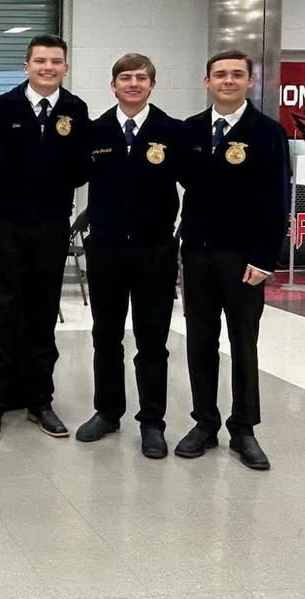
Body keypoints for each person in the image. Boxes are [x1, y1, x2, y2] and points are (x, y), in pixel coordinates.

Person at [175, 50, 290, 471]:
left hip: (245, 259)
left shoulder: (267, 133)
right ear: (206, 81)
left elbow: (278, 200)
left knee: (243, 342)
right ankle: (204, 422)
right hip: (199, 253)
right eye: (220, 74)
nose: (228, 80)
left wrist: (265, 258)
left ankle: (244, 427)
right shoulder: (190, 131)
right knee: (200, 342)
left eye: (236, 74)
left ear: (249, 81)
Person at [0, 33, 90, 442]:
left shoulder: (75, 110)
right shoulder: (4, 105)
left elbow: (81, 168)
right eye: (40, 61)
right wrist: (11, 188)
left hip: (51, 226)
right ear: (27, 66)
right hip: (7, 224)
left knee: (43, 315)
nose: (48, 68)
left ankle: (40, 400)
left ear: (65, 67)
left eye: (55, 61)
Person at [74, 54, 187, 459]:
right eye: (126, 78)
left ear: (152, 85)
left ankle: (152, 422)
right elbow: (69, 175)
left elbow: (197, 185)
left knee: (151, 340)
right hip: (105, 249)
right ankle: (107, 412)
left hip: (154, 250)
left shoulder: (171, 131)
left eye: (141, 78)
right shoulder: (95, 130)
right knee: (106, 335)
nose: (133, 84)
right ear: (114, 85)